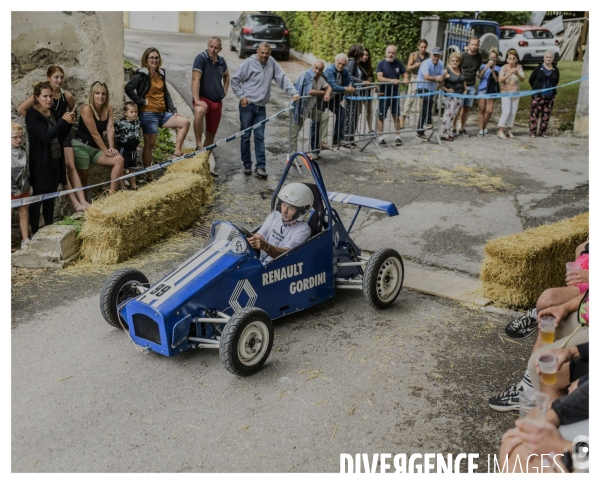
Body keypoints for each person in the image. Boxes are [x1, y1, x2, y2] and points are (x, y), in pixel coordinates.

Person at [17, 66, 90, 211]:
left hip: (61, 134)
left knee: (70, 166)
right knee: (58, 171)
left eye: (62, 77)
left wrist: (69, 120)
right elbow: (21, 109)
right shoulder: (41, 94)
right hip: (49, 135)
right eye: (56, 77)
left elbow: (71, 113)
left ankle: (82, 201)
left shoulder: (66, 95)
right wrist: (38, 125)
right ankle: (76, 203)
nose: (59, 80)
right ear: (48, 78)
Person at [231, 42, 299, 179]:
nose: (264, 56)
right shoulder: (248, 63)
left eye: (267, 53)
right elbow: (235, 80)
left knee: (260, 136)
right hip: (247, 106)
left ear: (270, 53)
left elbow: (282, 78)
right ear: (257, 52)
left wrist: (293, 92)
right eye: (262, 53)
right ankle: (247, 164)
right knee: (245, 136)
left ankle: (260, 167)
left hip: (261, 107)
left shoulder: (272, 63)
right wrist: (241, 97)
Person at [125, 47, 190, 182]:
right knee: (150, 145)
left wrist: (173, 110)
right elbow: (128, 87)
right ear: (146, 60)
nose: (154, 60)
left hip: (162, 113)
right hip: (148, 114)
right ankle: (149, 176)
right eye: (151, 58)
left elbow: (166, 94)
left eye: (156, 58)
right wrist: (141, 101)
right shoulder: (142, 74)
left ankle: (177, 152)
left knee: (185, 122)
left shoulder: (160, 74)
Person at [25, 81, 75, 235]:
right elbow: (46, 136)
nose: (48, 100)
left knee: (51, 197)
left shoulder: (51, 110)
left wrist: (69, 123)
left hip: (56, 159)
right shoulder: (32, 116)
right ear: (37, 98)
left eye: (51, 97)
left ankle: (49, 228)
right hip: (41, 163)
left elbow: (60, 135)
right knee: (38, 198)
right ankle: (35, 232)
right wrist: (62, 122)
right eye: (45, 96)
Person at [72, 81, 124, 192]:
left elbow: (110, 128)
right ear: (92, 94)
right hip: (81, 147)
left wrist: (111, 147)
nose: (100, 96)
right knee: (83, 181)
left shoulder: (108, 108)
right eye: (97, 93)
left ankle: (113, 194)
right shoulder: (86, 109)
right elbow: (94, 133)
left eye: (103, 93)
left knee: (119, 160)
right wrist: (106, 151)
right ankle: (84, 207)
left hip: (96, 150)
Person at [191, 36, 230, 176]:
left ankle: (205, 167)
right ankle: (198, 143)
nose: (213, 50)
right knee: (199, 110)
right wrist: (197, 99)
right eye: (211, 47)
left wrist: (225, 90)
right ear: (208, 45)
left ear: (220, 49)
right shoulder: (201, 58)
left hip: (216, 101)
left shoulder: (221, 61)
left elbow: (227, 75)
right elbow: (195, 79)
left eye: (216, 48)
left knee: (211, 135)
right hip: (203, 98)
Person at [247, 182, 313, 264]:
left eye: (291, 208)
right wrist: (249, 240)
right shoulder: (275, 216)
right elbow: (260, 236)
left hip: (279, 269)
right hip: (261, 263)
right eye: (284, 205)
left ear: (302, 210)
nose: (284, 211)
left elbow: (286, 255)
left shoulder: (303, 230)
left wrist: (265, 246)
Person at [290, 61, 332, 156]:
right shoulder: (306, 76)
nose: (317, 71)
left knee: (324, 117)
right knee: (294, 134)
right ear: (312, 67)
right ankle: (292, 157)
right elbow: (308, 91)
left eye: (320, 69)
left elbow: (329, 87)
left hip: (310, 109)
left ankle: (323, 142)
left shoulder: (321, 78)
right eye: (316, 68)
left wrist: (328, 93)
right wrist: (322, 93)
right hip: (300, 108)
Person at [376, 45, 409, 147]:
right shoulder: (381, 63)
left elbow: (405, 73)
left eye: (393, 53)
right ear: (386, 53)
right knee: (381, 116)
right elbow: (379, 78)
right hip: (384, 94)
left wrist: (406, 78)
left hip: (395, 95)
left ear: (395, 54)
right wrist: (392, 81)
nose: (390, 54)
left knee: (396, 116)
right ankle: (381, 138)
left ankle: (398, 137)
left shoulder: (398, 63)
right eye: (389, 52)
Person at [322, 53, 356, 148]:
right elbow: (333, 86)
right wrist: (346, 89)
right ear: (335, 61)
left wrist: (346, 88)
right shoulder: (329, 70)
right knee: (320, 119)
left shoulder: (345, 70)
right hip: (323, 98)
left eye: (343, 64)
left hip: (334, 99)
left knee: (342, 112)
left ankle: (337, 139)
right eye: (339, 63)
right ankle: (317, 145)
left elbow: (351, 83)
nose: (340, 66)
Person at [452, 37, 482, 137]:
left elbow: (477, 70)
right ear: (469, 45)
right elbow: (456, 68)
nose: (473, 47)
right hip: (461, 85)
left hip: (472, 85)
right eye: (472, 44)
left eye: (475, 45)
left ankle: (462, 128)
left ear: (478, 46)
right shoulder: (463, 56)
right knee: (458, 107)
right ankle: (453, 127)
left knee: (467, 108)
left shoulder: (479, 57)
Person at [529, 51, 560, 138]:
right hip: (537, 95)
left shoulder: (555, 70)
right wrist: (537, 88)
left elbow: (556, 80)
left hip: (550, 96)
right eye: (547, 57)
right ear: (544, 58)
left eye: (550, 57)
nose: (548, 59)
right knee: (535, 113)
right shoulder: (538, 69)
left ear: (553, 59)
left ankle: (543, 132)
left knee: (546, 114)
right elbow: (531, 80)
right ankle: (532, 132)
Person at [415, 47, 444, 141]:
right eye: (434, 55)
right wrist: (437, 79)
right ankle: (428, 121)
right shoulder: (426, 63)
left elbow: (441, 76)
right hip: (421, 86)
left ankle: (420, 131)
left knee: (425, 106)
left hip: (431, 88)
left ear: (440, 56)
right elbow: (426, 77)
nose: (435, 57)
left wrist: (441, 81)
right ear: (431, 55)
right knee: (428, 100)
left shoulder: (441, 63)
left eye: (437, 56)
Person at [497, 49, 524, 140]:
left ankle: (509, 130)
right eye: (510, 58)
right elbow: (500, 80)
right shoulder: (503, 68)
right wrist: (508, 74)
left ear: (516, 59)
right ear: (507, 59)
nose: (512, 59)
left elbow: (522, 79)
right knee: (506, 111)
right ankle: (500, 130)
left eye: (514, 58)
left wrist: (517, 74)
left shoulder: (519, 67)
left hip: (515, 92)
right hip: (505, 92)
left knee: (513, 112)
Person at [11, 122, 31, 248]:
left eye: (21, 137)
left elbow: (26, 170)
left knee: (23, 213)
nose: (19, 140)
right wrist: (14, 190)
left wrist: (26, 186)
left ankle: (25, 240)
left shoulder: (23, 151)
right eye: (15, 137)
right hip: (11, 191)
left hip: (24, 189)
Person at [114, 102, 141, 191]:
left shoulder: (137, 123)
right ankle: (122, 186)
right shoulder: (120, 123)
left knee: (133, 167)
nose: (134, 114)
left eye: (136, 112)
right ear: (125, 112)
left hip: (133, 149)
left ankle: (133, 185)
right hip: (124, 148)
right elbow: (116, 135)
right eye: (131, 112)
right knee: (122, 167)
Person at [403, 40, 430, 128]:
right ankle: (403, 119)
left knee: (422, 101)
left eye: (424, 47)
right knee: (410, 98)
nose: (423, 49)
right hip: (415, 77)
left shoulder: (429, 56)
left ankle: (421, 121)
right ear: (418, 46)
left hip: (424, 79)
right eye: (421, 47)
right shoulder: (413, 55)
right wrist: (415, 65)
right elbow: (408, 68)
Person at [440, 52, 466, 141]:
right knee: (448, 114)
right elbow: (440, 83)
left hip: (460, 95)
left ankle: (449, 131)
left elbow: (463, 80)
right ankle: (444, 133)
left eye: (456, 61)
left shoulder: (461, 70)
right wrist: (446, 89)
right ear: (450, 61)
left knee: (454, 115)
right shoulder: (446, 70)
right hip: (450, 96)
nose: (454, 62)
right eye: (453, 60)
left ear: (459, 62)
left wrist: (465, 90)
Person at [476, 48, 501, 137]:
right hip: (482, 89)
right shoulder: (483, 66)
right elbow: (479, 76)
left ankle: (484, 127)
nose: (492, 59)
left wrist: (493, 70)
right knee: (481, 109)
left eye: (494, 58)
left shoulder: (498, 68)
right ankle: (481, 130)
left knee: (489, 110)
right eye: (491, 57)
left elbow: (497, 80)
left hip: (491, 90)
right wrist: (486, 67)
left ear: (496, 59)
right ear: (488, 58)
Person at [357, 47, 375, 132]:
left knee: (369, 111)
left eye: (367, 55)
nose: (365, 57)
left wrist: (374, 86)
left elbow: (372, 78)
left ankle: (370, 129)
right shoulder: (356, 65)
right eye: (363, 55)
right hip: (359, 91)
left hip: (367, 91)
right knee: (358, 111)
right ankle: (355, 128)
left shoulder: (369, 66)